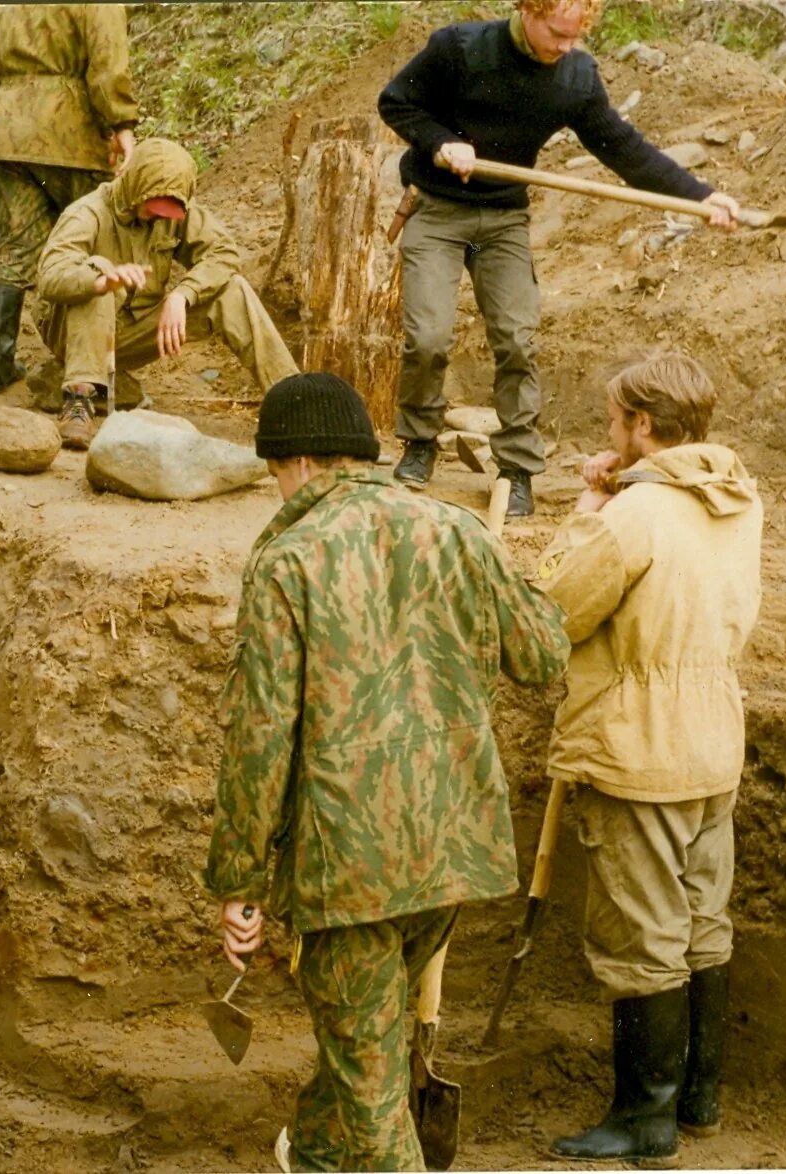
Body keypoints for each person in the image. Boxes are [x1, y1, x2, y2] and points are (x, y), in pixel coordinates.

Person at [205, 372, 570, 1172]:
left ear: (292, 461)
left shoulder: (288, 560)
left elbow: (262, 733)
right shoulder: (458, 529)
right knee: (363, 1048)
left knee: (371, 1087)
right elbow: (541, 654)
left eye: (272, 472)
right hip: (453, 843)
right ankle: (313, 1154)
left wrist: (239, 876)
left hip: (349, 866)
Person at [377, 0, 743, 518]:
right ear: (528, 10)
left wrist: (699, 196)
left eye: (575, 37)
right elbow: (396, 102)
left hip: (503, 218)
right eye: (557, 34)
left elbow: (624, 148)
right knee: (429, 336)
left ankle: (517, 466)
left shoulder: (574, 76)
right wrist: (442, 143)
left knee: (516, 340)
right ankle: (419, 441)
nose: (565, 47)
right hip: (437, 210)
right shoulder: (461, 49)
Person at [533, 352, 762, 1164]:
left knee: (641, 936)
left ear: (640, 424)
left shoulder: (636, 516)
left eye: (611, 419)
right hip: (712, 741)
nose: (607, 432)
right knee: (702, 924)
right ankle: (697, 1099)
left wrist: (590, 504)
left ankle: (643, 1120)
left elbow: (554, 610)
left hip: (639, 745)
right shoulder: (737, 499)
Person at [35, 137, 299, 450]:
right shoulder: (88, 212)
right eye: (155, 207)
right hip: (72, 332)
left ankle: (294, 400)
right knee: (98, 269)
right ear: (134, 186)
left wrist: (183, 294)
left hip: (133, 333)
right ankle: (79, 400)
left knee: (232, 288)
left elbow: (224, 252)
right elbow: (50, 276)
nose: (162, 216)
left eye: (169, 210)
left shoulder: (174, 205)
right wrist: (101, 281)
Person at [0, 3, 139, 395]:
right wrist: (123, 124)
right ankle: (84, 362)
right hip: (72, 134)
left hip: (6, 132)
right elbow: (107, 64)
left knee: (12, 251)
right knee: (89, 242)